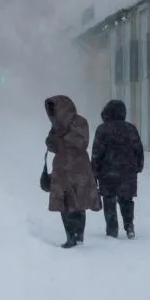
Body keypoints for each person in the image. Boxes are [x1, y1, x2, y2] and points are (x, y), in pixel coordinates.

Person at [45, 95, 102, 248]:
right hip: (73, 167)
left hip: (71, 167)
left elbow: (79, 143)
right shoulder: (72, 123)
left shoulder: (74, 123)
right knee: (72, 202)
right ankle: (74, 236)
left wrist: (60, 139)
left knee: (72, 202)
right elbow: (51, 145)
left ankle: (75, 236)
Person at [91, 100, 144, 239]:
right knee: (127, 199)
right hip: (128, 172)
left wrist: (94, 171)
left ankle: (112, 230)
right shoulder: (131, 128)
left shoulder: (102, 129)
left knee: (109, 200)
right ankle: (129, 226)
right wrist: (139, 166)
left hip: (108, 172)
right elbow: (138, 149)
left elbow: (97, 152)